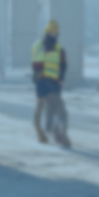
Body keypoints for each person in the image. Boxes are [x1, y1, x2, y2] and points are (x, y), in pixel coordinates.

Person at [31, 20, 71, 148]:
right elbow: (35, 64)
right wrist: (38, 77)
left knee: (46, 109)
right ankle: (58, 135)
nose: (54, 35)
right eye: (51, 33)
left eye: (55, 33)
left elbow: (63, 66)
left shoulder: (59, 49)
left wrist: (60, 79)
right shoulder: (40, 46)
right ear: (46, 32)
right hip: (44, 82)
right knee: (58, 111)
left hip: (52, 83)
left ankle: (47, 133)